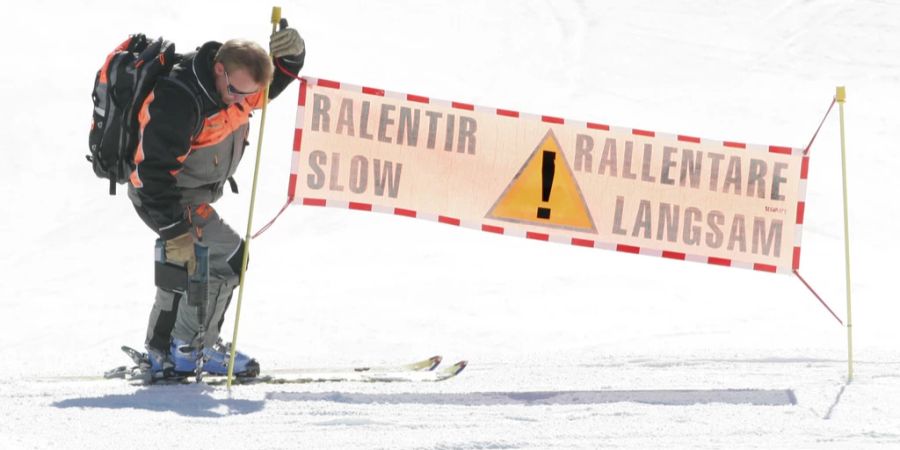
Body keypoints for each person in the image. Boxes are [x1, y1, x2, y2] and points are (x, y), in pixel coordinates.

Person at [127, 24, 305, 379]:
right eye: (237, 92)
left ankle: (162, 348)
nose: (243, 101)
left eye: (249, 95)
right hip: (167, 196)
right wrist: (174, 226)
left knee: (184, 267)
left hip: (183, 194)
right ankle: (192, 348)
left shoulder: (233, 87)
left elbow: (275, 82)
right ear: (219, 70)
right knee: (228, 256)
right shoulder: (179, 101)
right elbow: (150, 176)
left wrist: (293, 56)